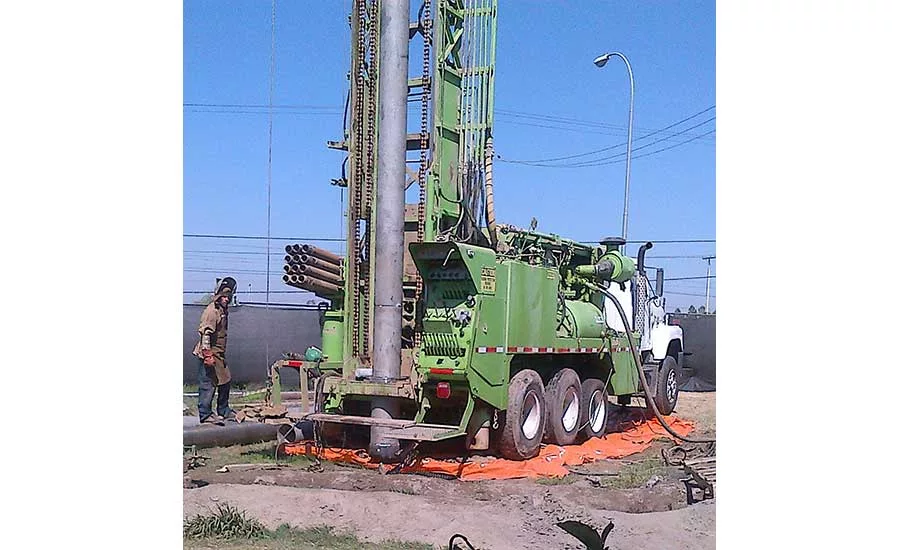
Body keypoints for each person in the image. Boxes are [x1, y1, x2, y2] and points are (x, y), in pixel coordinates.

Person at [192, 277, 237, 424]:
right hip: (209, 352)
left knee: (225, 380)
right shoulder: (211, 311)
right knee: (208, 384)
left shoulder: (223, 310)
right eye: (223, 296)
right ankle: (205, 414)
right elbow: (206, 333)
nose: (225, 299)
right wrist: (207, 355)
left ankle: (223, 410)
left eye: (228, 296)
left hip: (219, 354)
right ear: (217, 295)